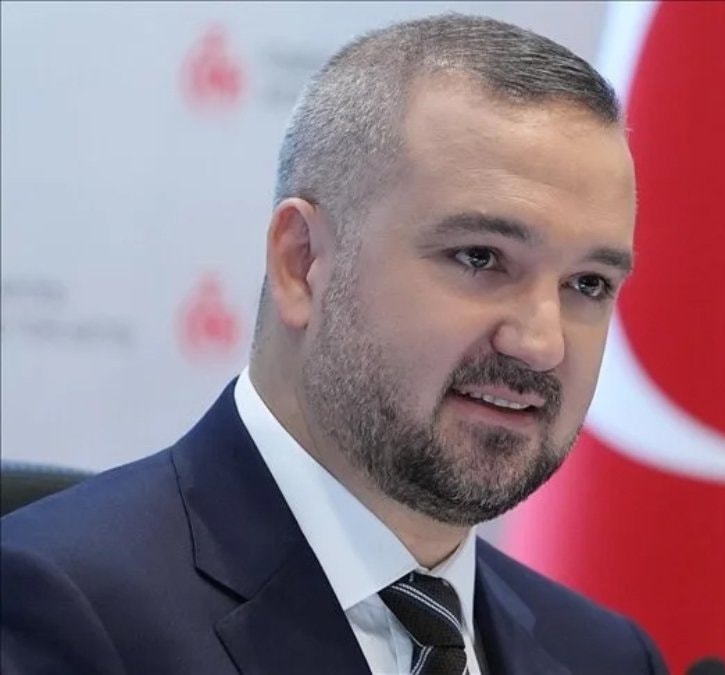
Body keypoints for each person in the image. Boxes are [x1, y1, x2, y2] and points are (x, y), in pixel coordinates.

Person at [1, 14, 666, 675]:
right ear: (302, 263)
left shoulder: (607, 657)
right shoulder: (57, 610)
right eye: (480, 257)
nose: (541, 343)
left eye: (588, 283)